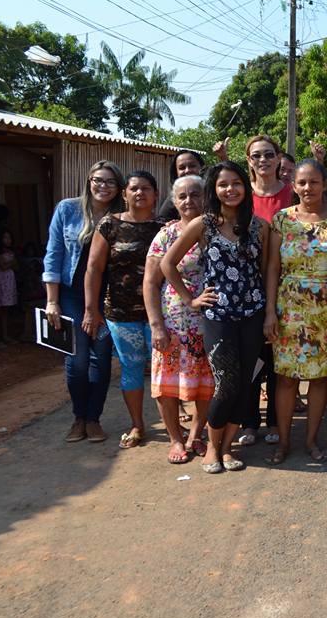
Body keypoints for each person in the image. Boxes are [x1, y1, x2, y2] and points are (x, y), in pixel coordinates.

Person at [162, 161, 269, 474]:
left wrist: (269, 312)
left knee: (246, 381)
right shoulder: (203, 225)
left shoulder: (259, 226)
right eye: (223, 184)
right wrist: (190, 299)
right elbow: (168, 264)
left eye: (236, 183)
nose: (230, 189)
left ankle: (228, 447)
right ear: (214, 190)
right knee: (226, 382)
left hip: (252, 311)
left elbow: (266, 271)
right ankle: (212, 447)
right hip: (218, 314)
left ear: (245, 187)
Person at [263, 159, 327, 465]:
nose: (308, 188)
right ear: (293, 186)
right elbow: (272, 267)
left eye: (314, 182)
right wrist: (270, 311)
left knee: (320, 377)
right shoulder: (282, 219)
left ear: (325, 185)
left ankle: (311, 440)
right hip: (288, 307)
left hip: (324, 309)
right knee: (285, 378)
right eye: (302, 183)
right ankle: (283, 442)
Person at [83, 171, 164, 450]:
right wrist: (90, 309)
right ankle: (137, 425)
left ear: (155, 194)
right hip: (120, 312)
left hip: (160, 315)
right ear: (125, 194)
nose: (140, 193)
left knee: (163, 370)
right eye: (134, 188)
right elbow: (94, 268)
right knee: (131, 368)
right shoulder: (109, 225)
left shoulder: (165, 228)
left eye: (146, 188)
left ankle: (175, 425)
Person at [43, 161, 123, 443]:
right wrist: (52, 301)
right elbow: (53, 255)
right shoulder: (68, 209)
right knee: (77, 361)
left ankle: (93, 419)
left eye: (110, 182)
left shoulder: (120, 216)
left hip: (107, 297)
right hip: (71, 296)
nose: (103, 186)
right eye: (98, 180)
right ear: (89, 181)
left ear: (119, 187)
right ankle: (78, 418)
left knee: (101, 360)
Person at [143, 174, 213, 464]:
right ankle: (175, 438)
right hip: (174, 322)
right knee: (168, 384)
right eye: (182, 196)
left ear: (205, 196)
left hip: (210, 322)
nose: (189, 201)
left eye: (195, 194)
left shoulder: (216, 229)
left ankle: (196, 433)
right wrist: (156, 325)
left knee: (207, 383)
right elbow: (150, 281)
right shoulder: (167, 235)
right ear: (173, 201)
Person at [240, 135, 290, 445]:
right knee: (250, 356)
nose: (263, 160)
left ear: (278, 158)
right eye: (256, 155)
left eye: (269, 154)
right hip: (246, 287)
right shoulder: (240, 195)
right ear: (249, 160)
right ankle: (249, 422)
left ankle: (274, 420)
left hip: (287, 286)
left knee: (276, 357)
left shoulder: (292, 194)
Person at [159, 150, 206, 220]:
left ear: (202, 167)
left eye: (192, 166)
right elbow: (162, 220)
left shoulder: (213, 191)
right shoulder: (174, 198)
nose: (187, 170)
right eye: (182, 168)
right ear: (176, 172)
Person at [0, 229, 18, 348]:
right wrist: (11, 263)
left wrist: (11, 264)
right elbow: (2, 266)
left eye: (9, 237)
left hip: (8, 281)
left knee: (5, 310)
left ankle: (5, 336)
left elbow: (16, 265)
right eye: (5, 238)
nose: (8, 240)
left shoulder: (11, 251)